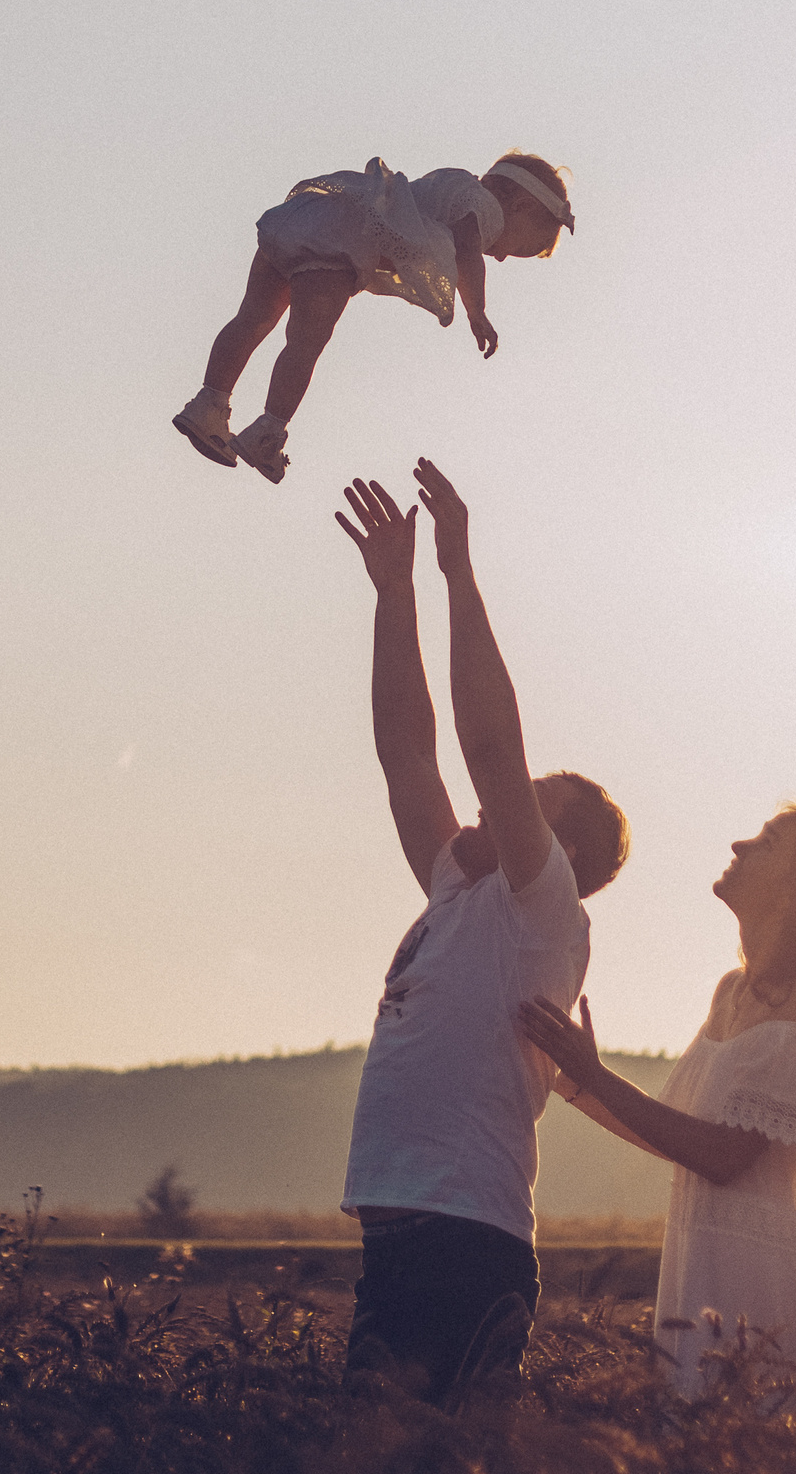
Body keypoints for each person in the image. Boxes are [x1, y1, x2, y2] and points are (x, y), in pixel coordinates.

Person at [333, 459, 629, 1404]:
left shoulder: (543, 908)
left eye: (526, 808)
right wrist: (394, 591)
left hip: (465, 1234)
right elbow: (404, 745)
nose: (487, 804)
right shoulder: (456, 893)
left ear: (556, 846)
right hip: (406, 1228)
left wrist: (459, 572)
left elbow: (485, 742)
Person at [518, 804, 796, 1397]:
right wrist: (572, 1079)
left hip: (764, 1297)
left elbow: (722, 1156)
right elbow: (672, 1136)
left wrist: (593, 1072)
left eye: (767, 843)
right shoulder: (730, 991)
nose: (740, 843)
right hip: (704, 1275)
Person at [173, 153, 574, 483]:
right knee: (306, 342)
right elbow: (468, 253)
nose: (502, 256)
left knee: (254, 318)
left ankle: (209, 403)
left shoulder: (455, 183)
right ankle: (267, 430)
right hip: (338, 242)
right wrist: (478, 311)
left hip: (304, 217)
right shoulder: (484, 209)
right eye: (520, 246)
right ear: (519, 205)